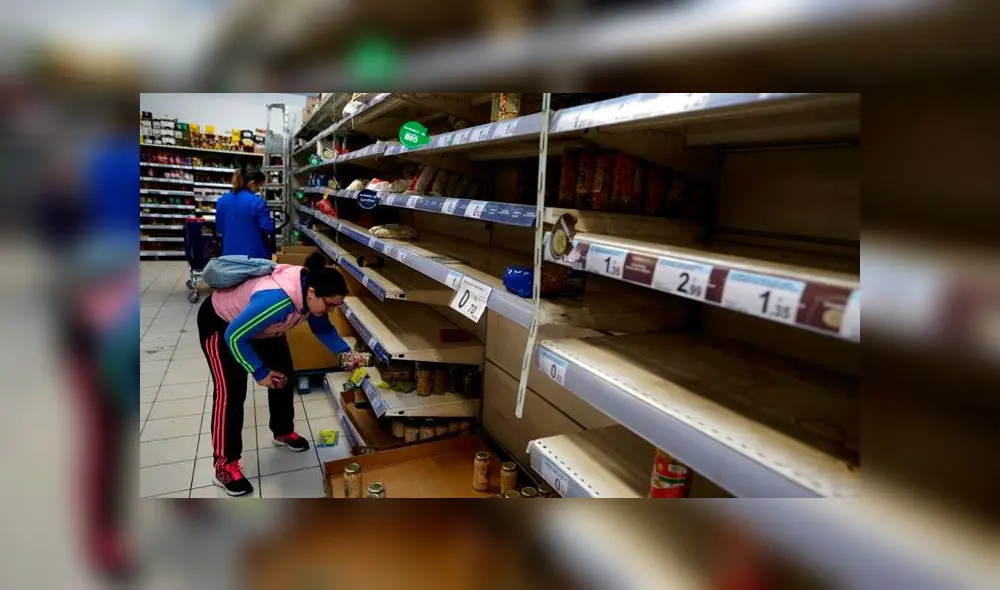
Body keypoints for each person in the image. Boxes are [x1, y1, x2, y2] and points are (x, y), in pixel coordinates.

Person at [198, 252, 352, 496]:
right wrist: (259, 372)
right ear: (311, 293)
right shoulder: (277, 301)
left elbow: (323, 329)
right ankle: (225, 465)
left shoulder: (310, 297)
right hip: (223, 325)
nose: (331, 310)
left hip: (262, 328)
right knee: (231, 393)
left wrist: (347, 355)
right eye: (330, 305)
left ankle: (282, 431)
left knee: (283, 375)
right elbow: (235, 337)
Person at [216, 164, 275, 259]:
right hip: (254, 258)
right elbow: (267, 228)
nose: (258, 190)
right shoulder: (258, 203)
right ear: (252, 183)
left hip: (228, 257)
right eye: (259, 186)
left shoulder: (222, 201)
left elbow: (220, 228)